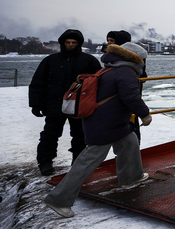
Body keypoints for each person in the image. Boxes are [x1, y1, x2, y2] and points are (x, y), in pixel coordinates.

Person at [43, 42, 152, 218]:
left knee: (129, 141)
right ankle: (58, 199)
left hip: (108, 121)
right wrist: (145, 114)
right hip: (106, 123)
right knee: (88, 160)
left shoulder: (109, 69)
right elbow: (131, 98)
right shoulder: (126, 72)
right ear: (137, 59)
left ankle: (132, 177)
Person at [28, 29, 102, 175]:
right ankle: (45, 162)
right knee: (49, 135)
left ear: (79, 44)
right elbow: (38, 82)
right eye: (67, 42)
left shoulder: (89, 61)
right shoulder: (50, 60)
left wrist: (97, 104)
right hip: (54, 104)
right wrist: (36, 104)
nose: (70, 45)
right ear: (62, 43)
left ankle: (78, 163)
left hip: (80, 105)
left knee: (80, 135)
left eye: (74, 43)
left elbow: (99, 83)